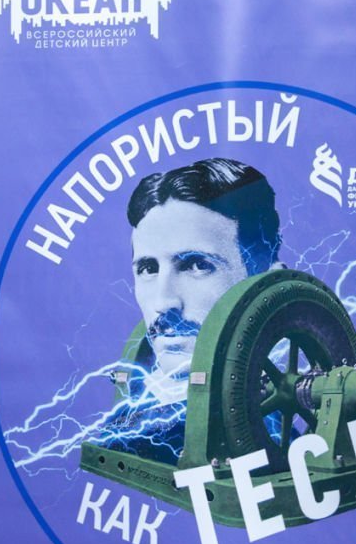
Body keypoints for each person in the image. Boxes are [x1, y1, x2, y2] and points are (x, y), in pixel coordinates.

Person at [102, 158, 283, 455]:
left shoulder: (283, 444)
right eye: (148, 269)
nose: (163, 302)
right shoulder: (136, 435)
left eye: (197, 265)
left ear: (268, 287)